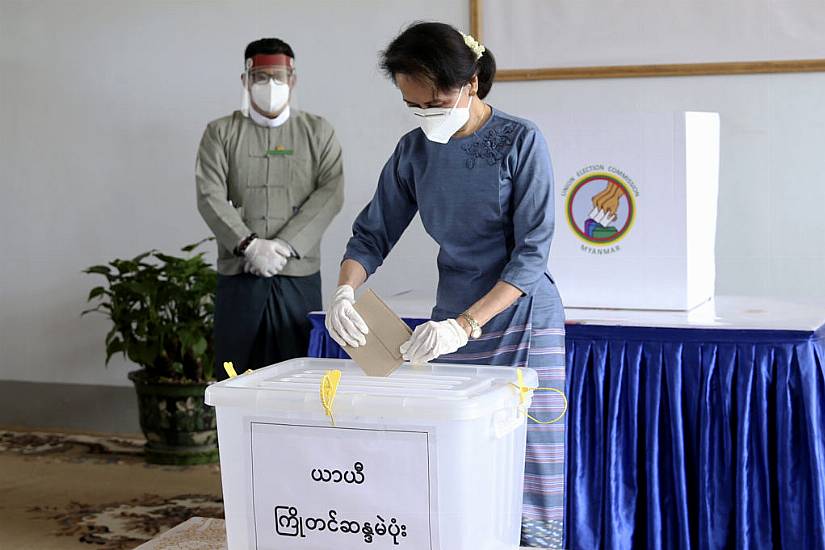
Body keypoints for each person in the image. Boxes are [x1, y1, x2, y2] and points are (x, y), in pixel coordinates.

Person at [325, 22, 567, 549]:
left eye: (435, 102)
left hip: (520, 318)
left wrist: (466, 324)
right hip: (451, 319)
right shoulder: (415, 150)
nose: (426, 115)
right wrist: (344, 291)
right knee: (459, 455)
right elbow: (372, 234)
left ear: (472, 82)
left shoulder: (520, 141)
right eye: (413, 105)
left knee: (530, 462)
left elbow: (531, 255)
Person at [197, 38, 344, 381]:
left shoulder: (317, 131)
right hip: (240, 271)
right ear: (245, 80)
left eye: (278, 77)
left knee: (298, 372)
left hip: (297, 272)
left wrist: (285, 245)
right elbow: (209, 194)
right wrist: (249, 245)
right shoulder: (221, 132)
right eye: (261, 77)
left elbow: (331, 192)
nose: (270, 85)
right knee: (236, 373)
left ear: (293, 80)